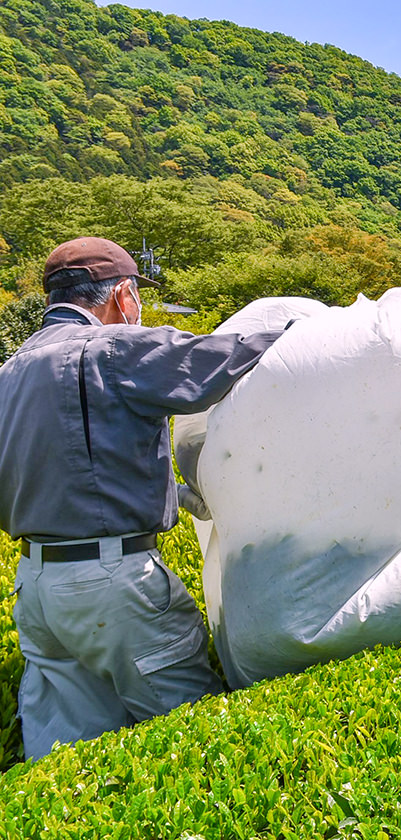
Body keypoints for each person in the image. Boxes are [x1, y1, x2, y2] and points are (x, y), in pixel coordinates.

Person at [0, 236, 286, 760]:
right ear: (123, 296)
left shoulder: (12, 369)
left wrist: (174, 493)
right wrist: (302, 329)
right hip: (114, 583)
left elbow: (67, 469)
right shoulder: (110, 349)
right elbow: (215, 362)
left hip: (38, 587)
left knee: (73, 762)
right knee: (194, 739)